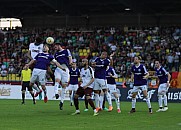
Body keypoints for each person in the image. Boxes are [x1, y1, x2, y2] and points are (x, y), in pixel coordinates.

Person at [53, 42, 72, 110]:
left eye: (55, 47)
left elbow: (70, 58)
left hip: (66, 69)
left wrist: (70, 63)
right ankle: (56, 93)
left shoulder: (66, 51)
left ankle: (61, 102)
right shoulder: (56, 54)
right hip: (59, 68)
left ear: (59, 46)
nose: (55, 48)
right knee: (57, 80)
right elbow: (54, 62)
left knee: (64, 86)